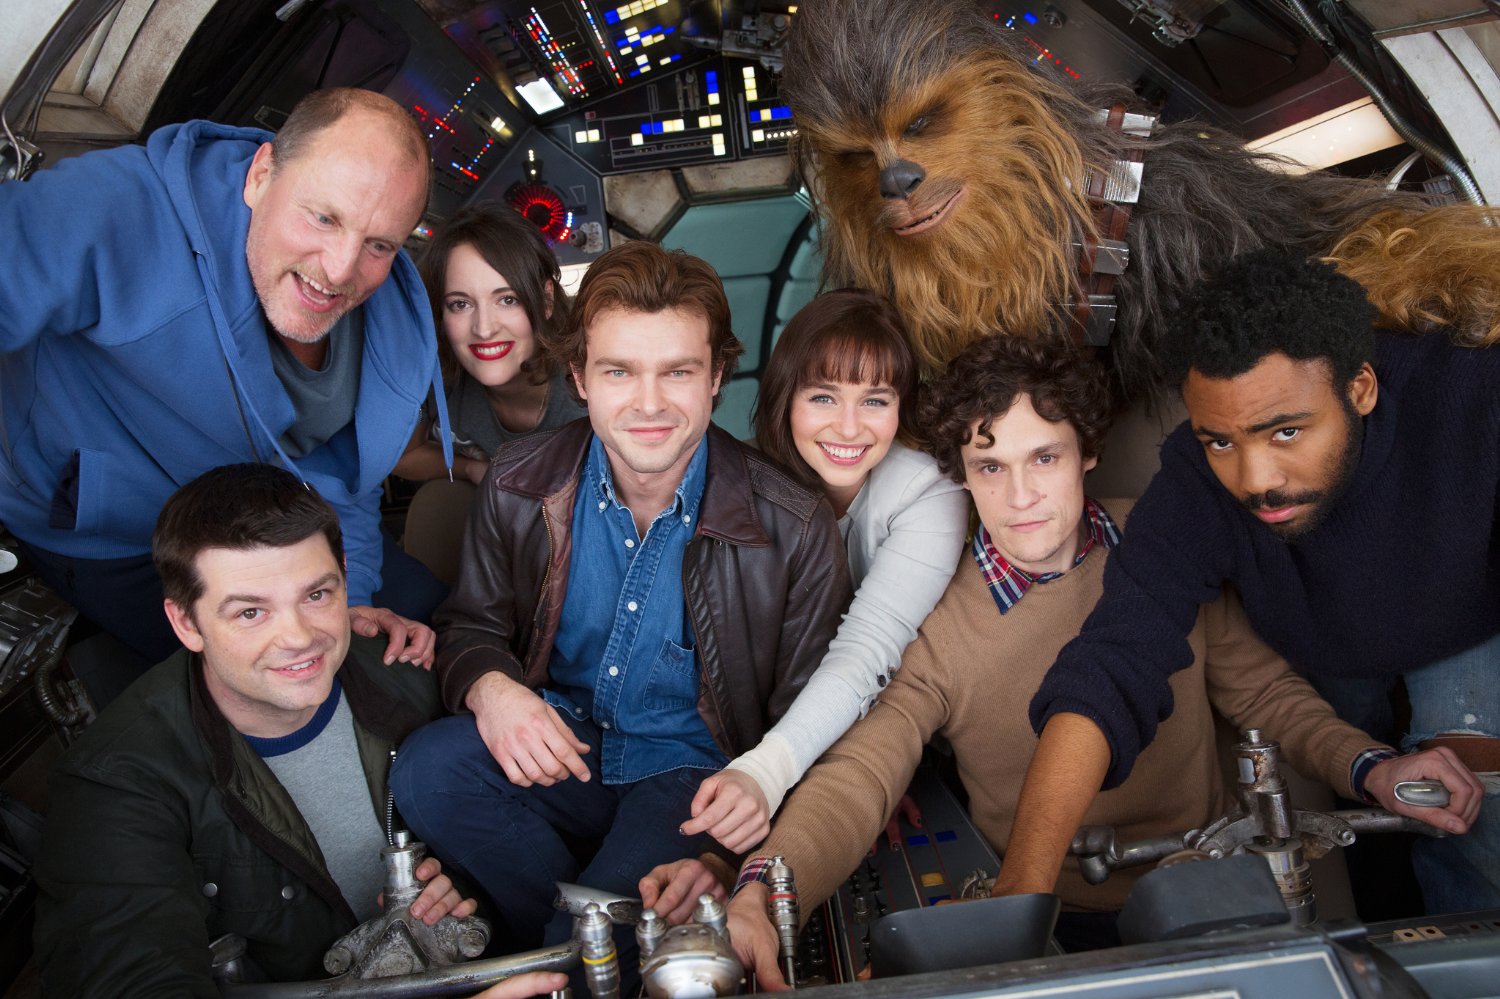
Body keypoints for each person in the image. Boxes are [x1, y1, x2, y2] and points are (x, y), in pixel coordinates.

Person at [641, 334, 1477, 983]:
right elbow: (862, 773)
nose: (1021, 496)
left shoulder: (1168, 545)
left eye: (1044, 457)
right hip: (1043, 920)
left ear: (1087, 451)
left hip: (1216, 894)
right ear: (962, 476)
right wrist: (760, 893)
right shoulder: (936, 618)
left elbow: (1267, 695)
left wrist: (1368, 765)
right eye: (990, 467)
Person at [388, 240, 852, 988]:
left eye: (678, 372)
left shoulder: (795, 524)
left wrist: (724, 857)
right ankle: (581, 926)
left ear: (716, 377)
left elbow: (809, 724)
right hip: (563, 743)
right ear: (579, 377)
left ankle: (562, 942)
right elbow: (469, 624)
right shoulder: (516, 480)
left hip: (692, 778)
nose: (649, 403)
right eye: (618, 372)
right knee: (428, 770)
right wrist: (494, 690)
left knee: (595, 939)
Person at [1007, 250, 1495, 916]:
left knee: (1477, 825)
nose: (1256, 480)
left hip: (1471, 613)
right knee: (1375, 845)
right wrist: (1020, 893)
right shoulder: (1194, 482)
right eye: (1220, 441)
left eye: (1286, 431)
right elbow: (1114, 659)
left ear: (1361, 389)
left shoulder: (1472, 394)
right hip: (1330, 645)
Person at [31, 464, 566, 998]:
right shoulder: (116, 779)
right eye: (250, 613)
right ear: (186, 623)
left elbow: (537, 844)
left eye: (316, 596)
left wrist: (465, 892)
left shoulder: (412, 677)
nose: (298, 637)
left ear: (345, 580)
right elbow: (131, 980)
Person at [0, 87, 445, 702]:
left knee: (420, 623)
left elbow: (346, 477)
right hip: (117, 536)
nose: (340, 270)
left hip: (267, 522)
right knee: (256, 699)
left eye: (379, 244)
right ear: (261, 175)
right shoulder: (125, 207)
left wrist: (353, 595)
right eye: (323, 218)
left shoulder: (381, 323)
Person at [684, 289, 968, 852]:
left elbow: (869, 648)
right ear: (785, 397)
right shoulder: (738, 482)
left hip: (889, 716)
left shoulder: (928, 492)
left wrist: (835, 770)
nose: (849, 427)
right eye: (822, 396)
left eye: (875, 400)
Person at [395, 203, 586, 485]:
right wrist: (474, 470)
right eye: (460, 304)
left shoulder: (590, 387)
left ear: (546, 300)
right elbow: (405, 457)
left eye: (507, 300)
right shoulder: (431, 372)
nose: (484, 329)